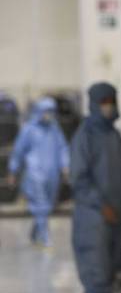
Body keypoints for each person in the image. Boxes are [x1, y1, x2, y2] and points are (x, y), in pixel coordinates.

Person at [70, 82, 121, 293]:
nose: (109, 105)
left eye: (111, 100)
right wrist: (101, 207)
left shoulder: (112, 135)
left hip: (114, 219)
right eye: (104, 100)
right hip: (94, 221)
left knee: (108, 279)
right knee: (96, 280)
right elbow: (78, 179)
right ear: (93, 103)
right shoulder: (86, 135)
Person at [8, 97, 70, 247]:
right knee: (41, 204)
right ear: (39, 111)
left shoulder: (55, 129)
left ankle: (35, 233)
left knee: (47, 205)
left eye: (51, 111)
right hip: (34, 173)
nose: (48, 114)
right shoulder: (29, 129)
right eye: (45, 111)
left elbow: (62, 148)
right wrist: (13, 170)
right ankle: (44, 237)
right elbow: (18, 151)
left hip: (52, 174)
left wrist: (65, 165)